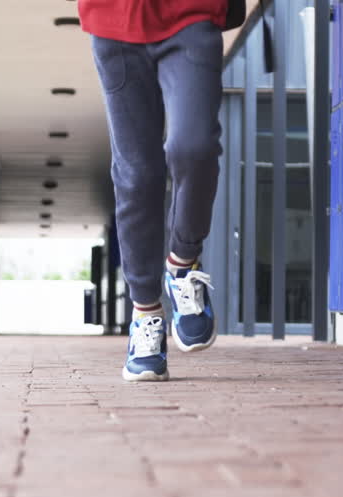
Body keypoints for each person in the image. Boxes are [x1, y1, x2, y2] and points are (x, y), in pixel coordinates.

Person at [80, 0, 241, 382]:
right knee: (137, 175)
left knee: (194, 146)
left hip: (192, 13)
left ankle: (182, 263)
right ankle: (146, 314)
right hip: (113, 19)